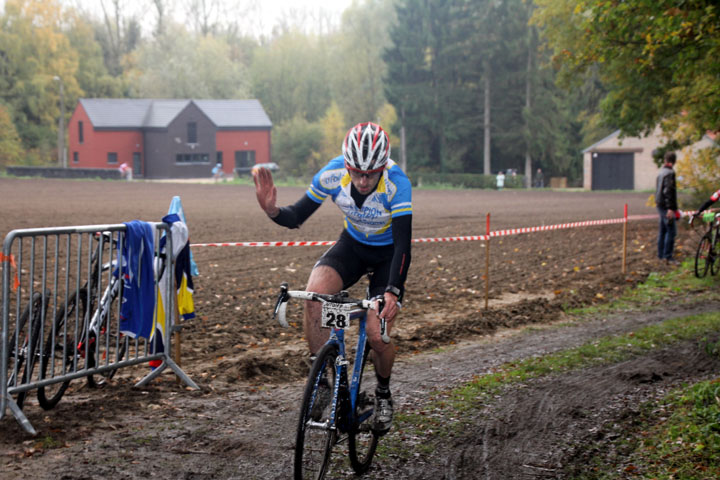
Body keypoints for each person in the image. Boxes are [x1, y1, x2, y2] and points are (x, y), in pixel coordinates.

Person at [253, 122, 412, 434]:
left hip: (387, 257)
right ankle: (324, 382)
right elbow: (296, 216)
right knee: (315, 298)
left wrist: (393, 291)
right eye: (357, 172)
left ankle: (382, 393)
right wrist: (272, 211)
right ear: (347, 165)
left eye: (371, 173)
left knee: (377, 335)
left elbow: (404, 244)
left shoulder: (397, 183)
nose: (364, 180)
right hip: (352, 247)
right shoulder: (331, 173)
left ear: (382, 167)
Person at [655, 151, 679, 264]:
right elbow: (668, 191)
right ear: (674, 161)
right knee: (671, 231)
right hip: (666, 206)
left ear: (665, 160)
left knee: (663, 231)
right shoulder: (669, 173)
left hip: (660, 205)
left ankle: (660, 256)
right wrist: (670, 208)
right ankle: (667, 256)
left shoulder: (661, 172)